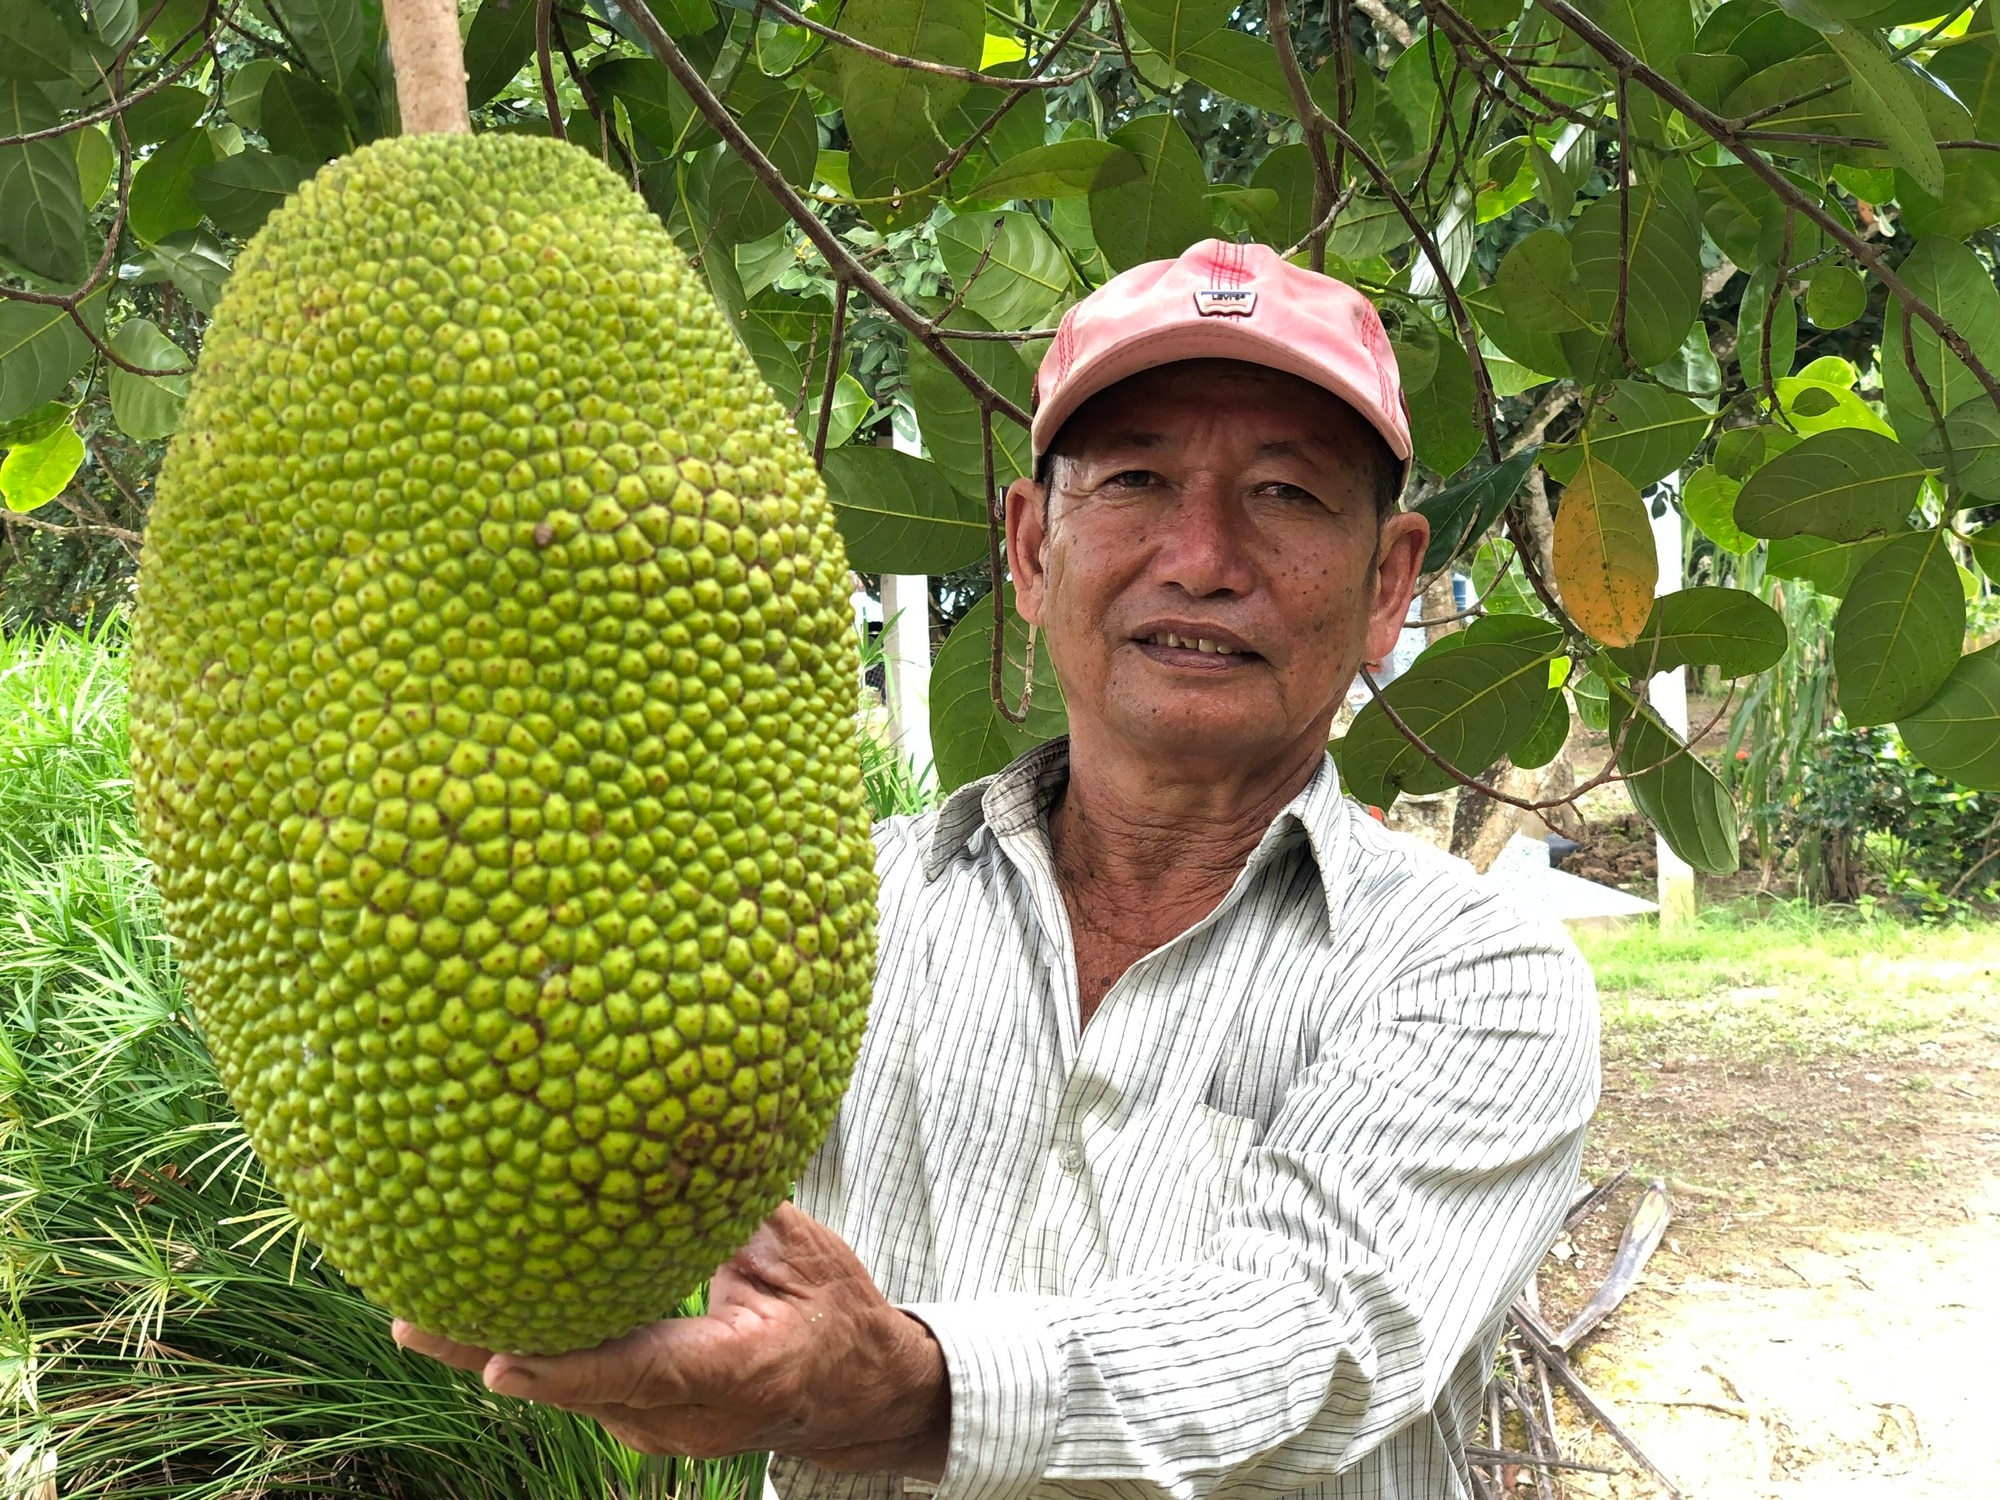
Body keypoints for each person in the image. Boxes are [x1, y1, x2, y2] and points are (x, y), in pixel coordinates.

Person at [397, 239, 1600, 1500]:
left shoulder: (1482, 980)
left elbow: (1314, 1337)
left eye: (1286, 495)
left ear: (1386, 583)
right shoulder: (831, 916)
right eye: (1134, 479)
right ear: (1027, 551)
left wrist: (911, 1387)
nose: (1200, 555)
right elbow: (617, 1122)